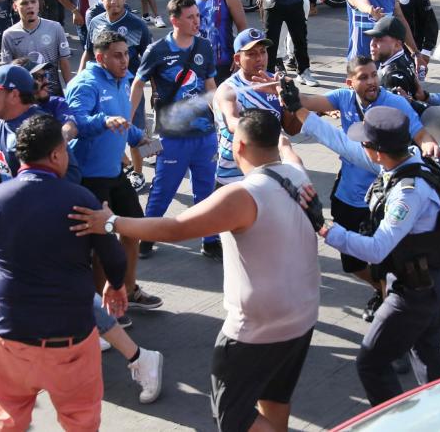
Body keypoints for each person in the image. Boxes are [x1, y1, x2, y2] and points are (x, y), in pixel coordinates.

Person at [71, 108, 320, 432]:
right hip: (302, 317)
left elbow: (175, 228)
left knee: (233, 417)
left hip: (258, 329)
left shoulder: (243, 195)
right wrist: (284, 143)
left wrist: (111, 222)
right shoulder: (297, 175)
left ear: (238, 146)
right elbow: (291, 154)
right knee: (274, 398)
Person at [0, 113, 128, 431]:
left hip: (11, 338)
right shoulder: (81, 200)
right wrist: (115, 283)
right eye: (66, 150)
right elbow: (113, 257)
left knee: (8, 421)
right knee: (81, 421)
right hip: (70, 341)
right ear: (56, 155)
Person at [290, 103, 440, 406]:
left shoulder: (407, 193)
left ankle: (391, 420)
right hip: (425, 279)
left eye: (364, 142)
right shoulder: (405, 159)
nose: (360, 147)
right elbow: (343, 145)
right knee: (426, 351)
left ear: (377, 151)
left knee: (371, 362)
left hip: (414, 289)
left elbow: (377, 249)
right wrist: (299, 110)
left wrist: (325, 228)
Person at [288, 55, 440, 321]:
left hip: (380, 200)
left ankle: (392, 304)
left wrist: (429, 145)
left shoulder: (394, 107)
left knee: (386, 261)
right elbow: (308, 101)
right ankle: (384, 291)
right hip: (348, 196)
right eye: (364, 77)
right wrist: (280, 88)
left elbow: (419, 134)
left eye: (374, 75)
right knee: (353, 264)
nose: (372, 81)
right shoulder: (344, 98)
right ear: (350, 83)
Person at [66, 30, 163, 309]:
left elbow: (121, 121)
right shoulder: (85, 84)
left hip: (114, 173)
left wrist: (137, 137)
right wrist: (103, 121)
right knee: (102, 244)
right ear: (100, 58)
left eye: (126, 54)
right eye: (117, 56)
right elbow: (75, 124)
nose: (125, 61)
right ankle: (99, 310)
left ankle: (128, 291)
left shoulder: (122, 79)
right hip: (89, 178)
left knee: (133, 229)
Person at [130, 0, 220, 259]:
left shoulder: (204, 46)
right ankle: (148, 235)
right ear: (174, 21)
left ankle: (210, 239)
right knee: (163, 189)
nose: (197, 21)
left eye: (197, 16)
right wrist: (129, 118)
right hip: (172, 136)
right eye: (190, 17)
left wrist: (223, 117)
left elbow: (210, 86)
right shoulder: (157, 50)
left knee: (206, 190)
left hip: (205, 135)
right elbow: (138, 84)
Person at [85, 0, 152, 189]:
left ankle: (139, 173)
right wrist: (80, 77)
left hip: (130, 88)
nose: (113, 2)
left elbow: (150, 60)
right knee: (110, 127)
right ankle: (119, 166)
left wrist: (156, 90)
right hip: (102, 87)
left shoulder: (137, 24)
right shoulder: (95, 22)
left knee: (134, 128)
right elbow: (88, 52)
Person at [213, 28, 288, 188]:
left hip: (270, 174)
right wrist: (265, 127)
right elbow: (232, 122)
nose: (259, 58)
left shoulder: (275, 83)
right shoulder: (228, 89)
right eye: (252, 54)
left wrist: (293, 103)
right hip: (233, 177)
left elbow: (292, 126)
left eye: (263, 52)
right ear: (237, 59)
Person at [346, 0, 426, 67]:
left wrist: (416, 54)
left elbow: (402, 22)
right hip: (360, 64)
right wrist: (370, 10)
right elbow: (359, 0)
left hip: (385, 64)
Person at [1, 0, 72, 96]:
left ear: (38, 4)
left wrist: (71, 91)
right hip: (26, 97)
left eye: (33, 2)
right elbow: (7, 70)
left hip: (53, 94)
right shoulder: (9, 35)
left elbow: (64, 62)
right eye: (24, 3)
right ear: (15, 7)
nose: (30, 6)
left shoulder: (55, 28)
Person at [188, 0, 247, 85]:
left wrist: (240, 55)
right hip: (197, 64)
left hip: (224, 63)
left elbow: (242, 28)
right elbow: (182, 33)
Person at [367, 16, 425, 106]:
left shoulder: (392, 77)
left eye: (379, 39)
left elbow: (393, 112)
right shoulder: (404, 58)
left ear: (397, 44)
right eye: (372, 38)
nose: (372, 44)